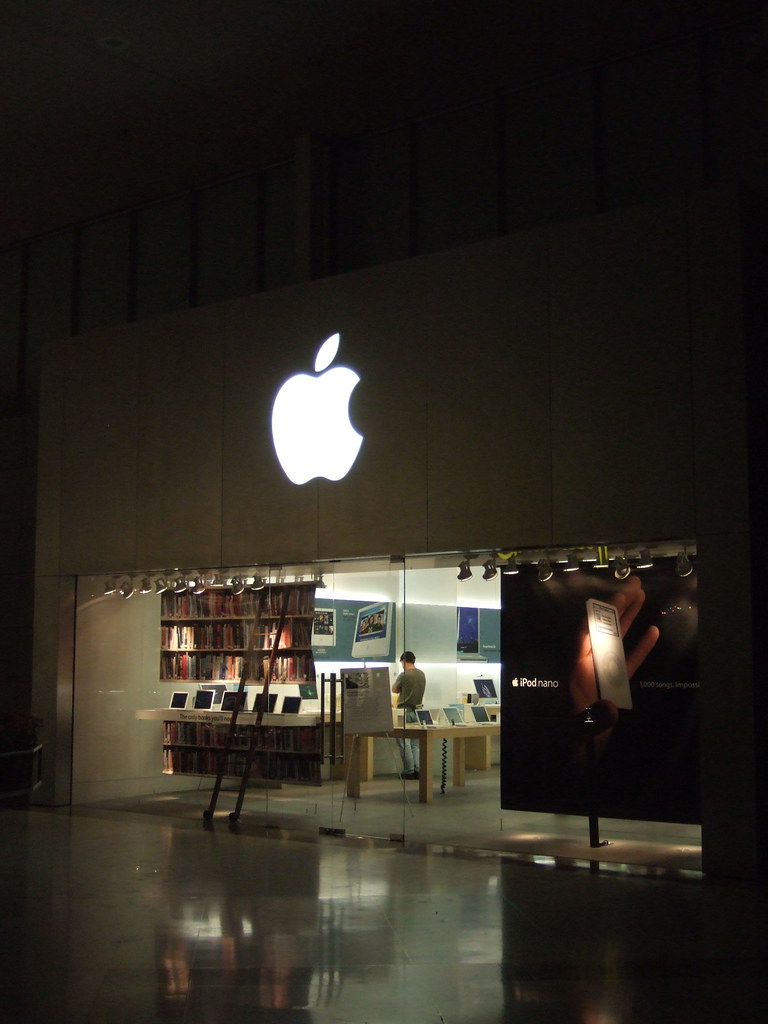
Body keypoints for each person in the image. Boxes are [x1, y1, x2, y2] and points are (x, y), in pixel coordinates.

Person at [391, 651, 426, 779]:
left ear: (404, 661)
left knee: (404, 742)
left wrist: (402, 689)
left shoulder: (404, 675)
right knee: (415, 743)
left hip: (404, 711)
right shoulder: (422, 674)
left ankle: (409, 771)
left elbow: (394, 689)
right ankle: (418, 769)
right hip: (418, 711)